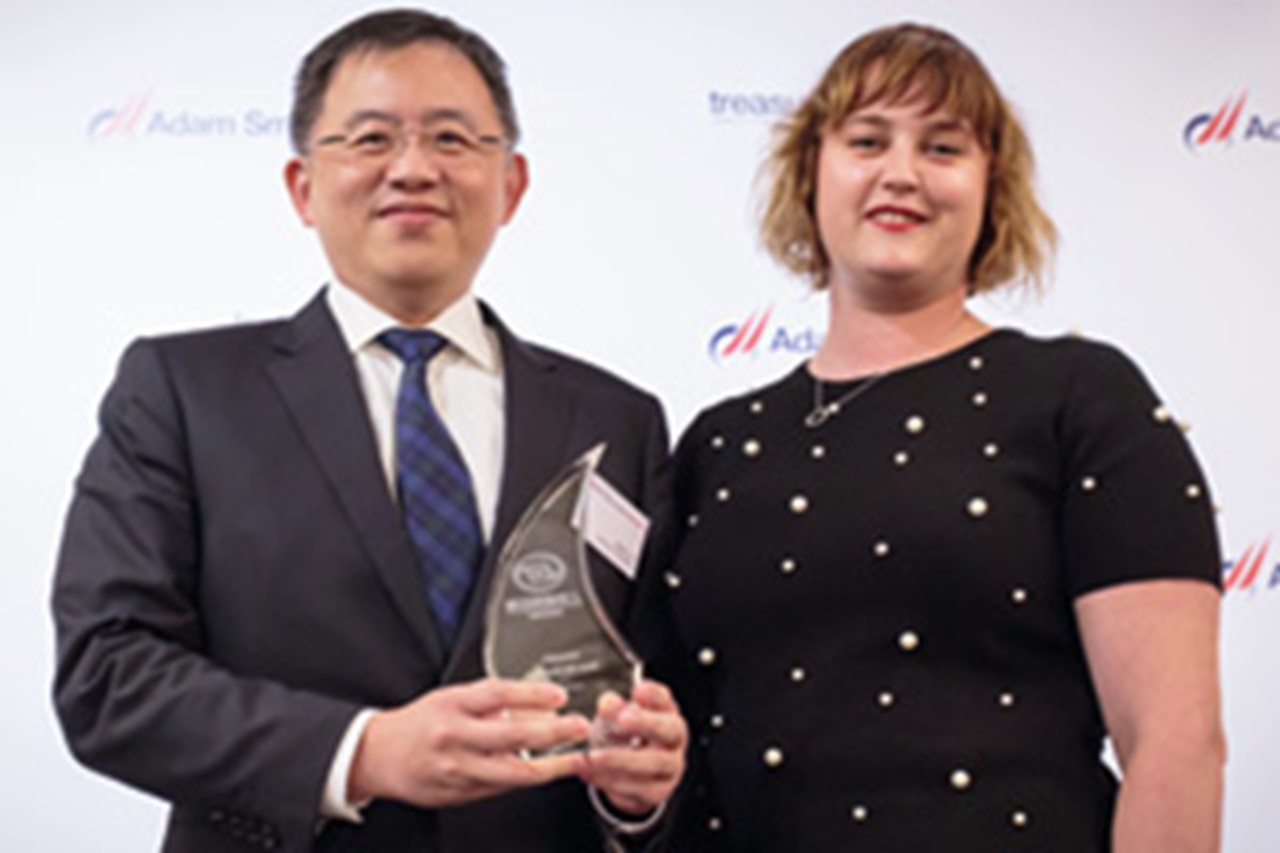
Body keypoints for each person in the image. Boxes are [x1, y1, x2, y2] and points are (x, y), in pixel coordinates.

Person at [52, 9, 686, 852]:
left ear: (512, 185)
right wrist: (362, 751)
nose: (414, 169)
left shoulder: (616, 420)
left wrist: (637, 797)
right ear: (303, 187)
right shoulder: (182, 392)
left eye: (453, 139)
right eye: (371, 139)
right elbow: (108, 675)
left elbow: (655, 689)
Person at [661, 22, 1225, 852]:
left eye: (943, 147)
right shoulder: (716, 444)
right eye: (867, 140)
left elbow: (1174, 745)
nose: (901, 173)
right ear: (810, 171)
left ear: (994, 188)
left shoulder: (1083, 399)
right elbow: (664, 753)